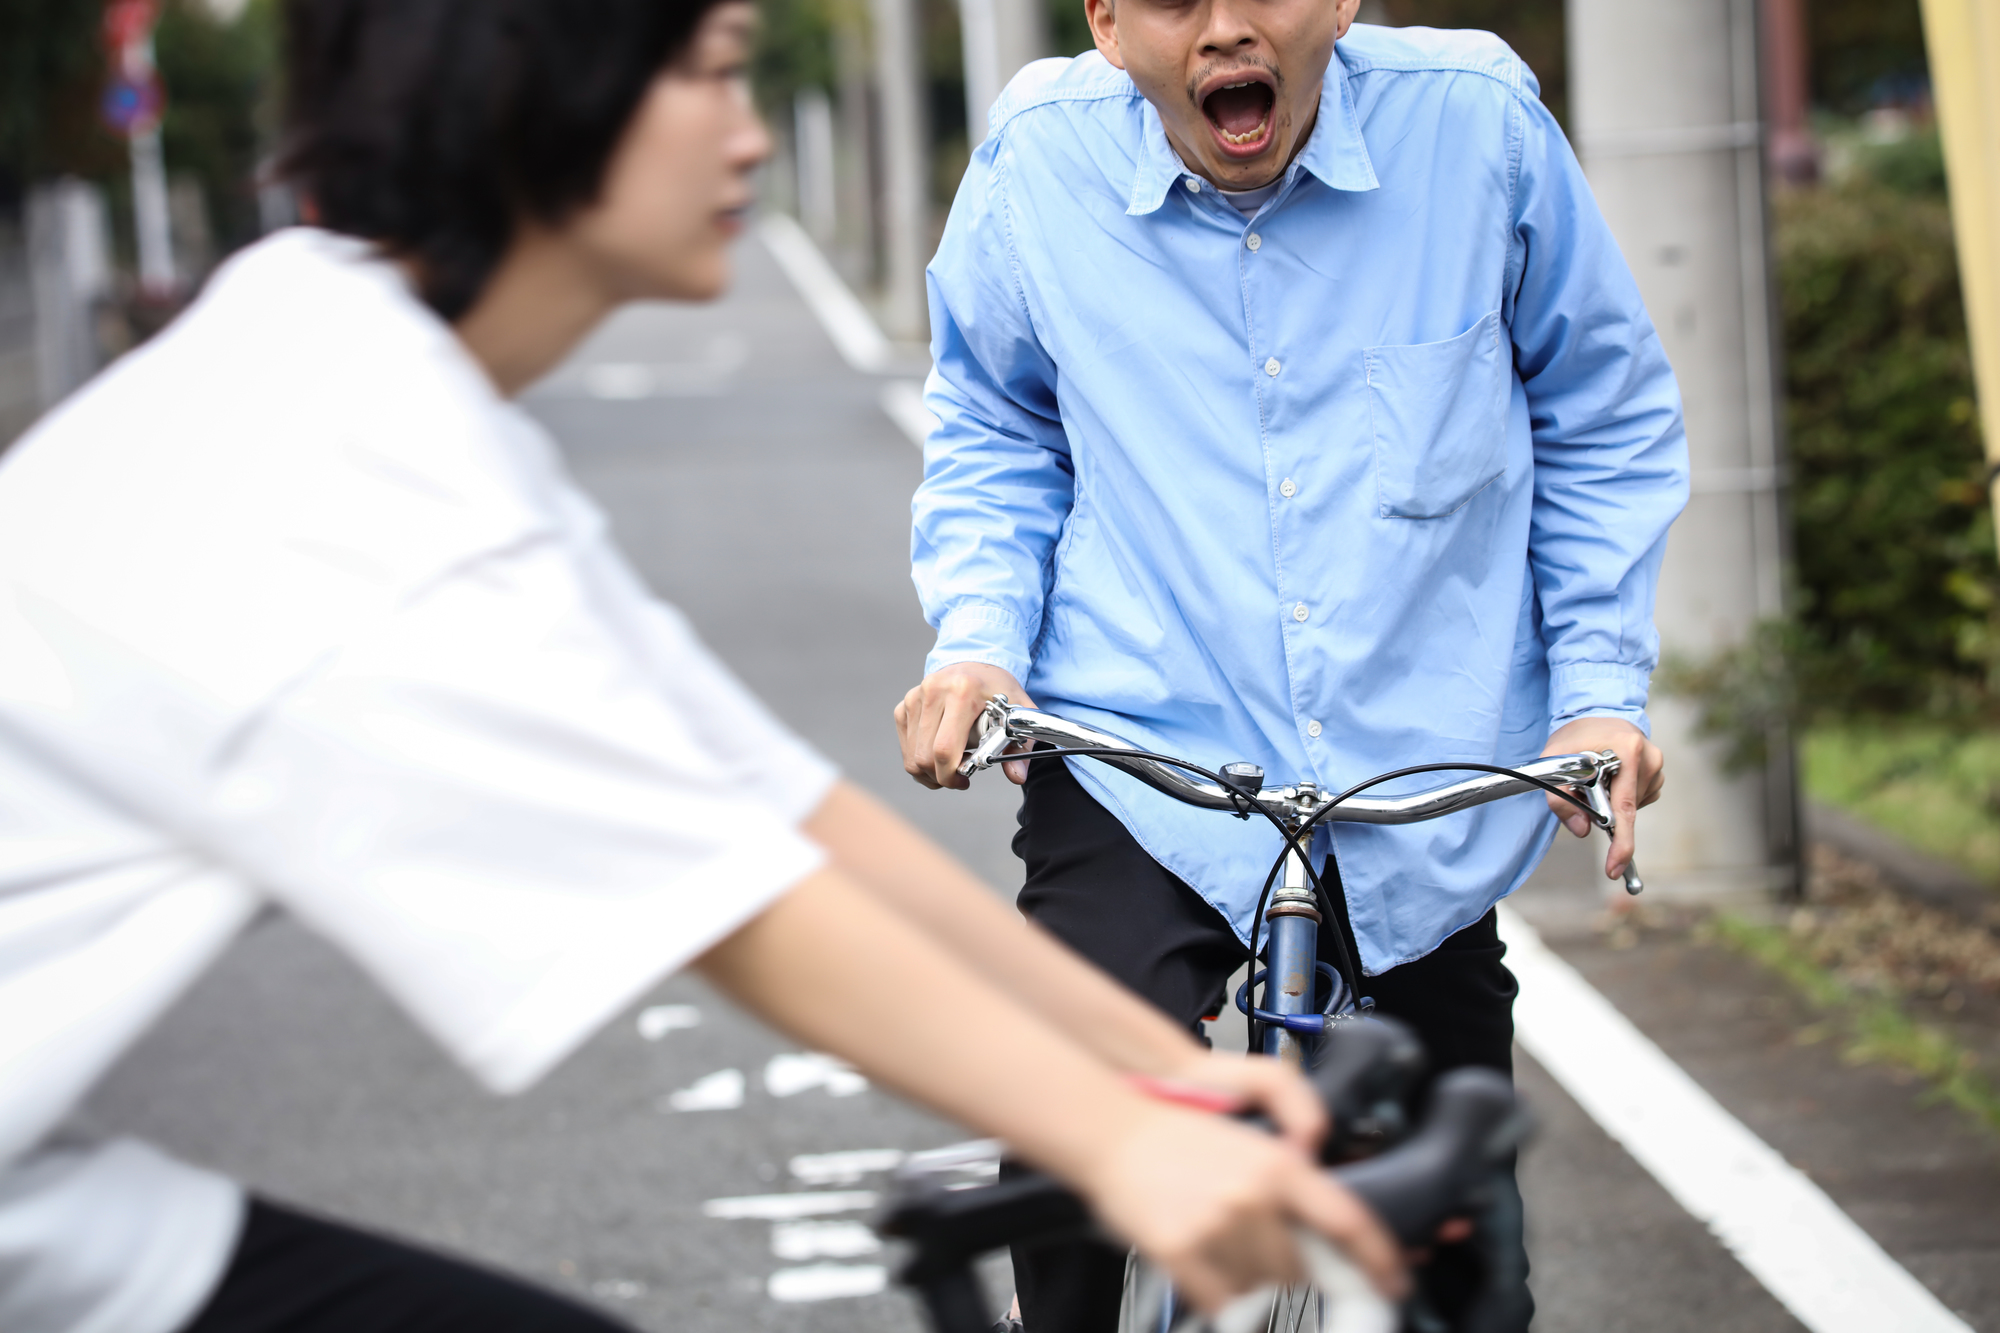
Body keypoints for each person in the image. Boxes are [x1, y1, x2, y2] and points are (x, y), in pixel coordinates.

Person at [0, 0, 1407, 1329]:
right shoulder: (337, 461)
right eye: (710, 71)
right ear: (540, 94)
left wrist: (1161, 1073)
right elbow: (745, 908)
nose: (747, 130)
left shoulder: (355, 356)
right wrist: (1120, 1136)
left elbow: (784, 812)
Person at [896, 1, 1688, 1330]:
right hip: (1146, 734)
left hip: (1413, 755)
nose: (1223, 30)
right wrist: (978, 643)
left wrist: (1597, 688)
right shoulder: (1041, 153)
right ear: (1104, 19)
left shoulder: (1475, 125)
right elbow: (993, 422)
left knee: (1463, 1244)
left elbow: (1599, 411)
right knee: (1075, 1124)